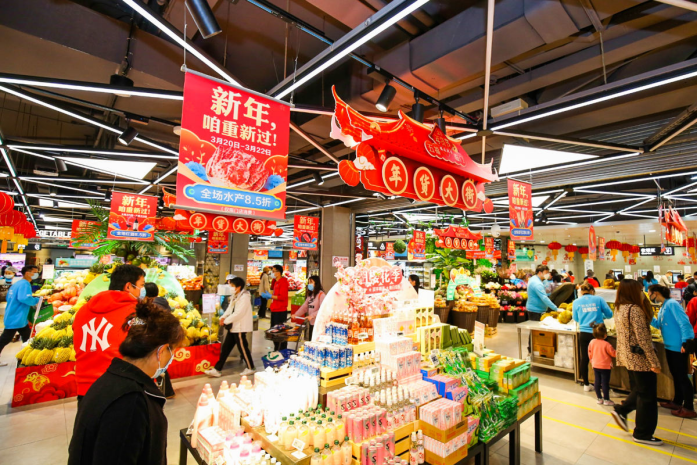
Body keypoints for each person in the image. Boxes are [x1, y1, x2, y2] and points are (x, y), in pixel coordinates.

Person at [68, 301, 184, 465]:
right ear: (162, 351)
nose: (171, 358)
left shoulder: (111, 379)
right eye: (173, 351)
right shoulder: (130, 402)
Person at [73, 265, 146, 400]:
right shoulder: (135, 312)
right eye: (142, 285)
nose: (143, 290)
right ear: (128, 286)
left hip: (85, 388)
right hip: (122, 388)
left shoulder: (83, 310)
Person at [611, 279, 662, 446]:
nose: (643, 293)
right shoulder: (635, 310)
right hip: (641, 359)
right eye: (640, 290)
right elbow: (644, 339)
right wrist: (654, 361)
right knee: (647, 397)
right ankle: (642, 433)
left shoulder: (619, 308)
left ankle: (621, 410)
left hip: (628, 357)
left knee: (641, 390)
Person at [648, 284, 696, 418]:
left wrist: (686, 341)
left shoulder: (672, 304)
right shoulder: (664, 306)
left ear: (656, 293)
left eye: (650, 293)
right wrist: (648, 315)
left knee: (682, 377)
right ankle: (677, 401)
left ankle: (689, 407)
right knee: (676, 375)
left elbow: (684, 322)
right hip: (669, 345)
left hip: (678, 346)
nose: (649, 296)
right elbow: (658, 324)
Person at [206, 277, 255, 377]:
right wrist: (223, 317)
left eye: (232, 286)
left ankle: (251, 367)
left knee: (243, 348)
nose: (230, 288)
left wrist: (226, 321)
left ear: (238, 287)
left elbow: (239, 313)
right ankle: (217, 369)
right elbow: (230, 308)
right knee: (226, 348)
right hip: (234, 327)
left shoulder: (244, 297)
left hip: (240, 327)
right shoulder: (235, 295)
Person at [572, 283, 613, 391]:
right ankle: (605, 386)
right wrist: (601, 316)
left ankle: (586, 384)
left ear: (581, 291)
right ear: (592, 291)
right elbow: (609, 314)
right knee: (603, 359)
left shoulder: (576, 302)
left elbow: (575, 318)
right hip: (598, 333)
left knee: (585, 358)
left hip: (584, 333)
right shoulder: (599, 299)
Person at [0, 266, 40, 366]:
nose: (37, 274)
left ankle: (27, 357)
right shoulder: (25, 284)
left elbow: (9, 298)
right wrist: (37, 300)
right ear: (27, 273)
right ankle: (27, 357)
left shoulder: (17, 283)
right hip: (16, 317)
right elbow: (24, 298)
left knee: (27, 337)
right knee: (5, 339)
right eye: (35, 272)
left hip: (15, 316)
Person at [143, 282, 174, 398]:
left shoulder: (152, 306)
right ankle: (167, 392)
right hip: (164, 338)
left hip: (155, 338)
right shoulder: (162, 302)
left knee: (153, 365)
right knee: (160, 366)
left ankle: (157, 392)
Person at [588, 322, 616, 406]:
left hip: (595, 365)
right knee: (605, 383)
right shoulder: (607, 344)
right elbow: (613, 354)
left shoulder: (592, 342)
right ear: (605, 335)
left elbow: (590, 352)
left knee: (597, 382)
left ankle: (599, 398)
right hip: (605, 367)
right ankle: (606, 399)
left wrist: (592, 361)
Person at [264, 264, 289, 351]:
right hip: (275, 309)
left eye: (273, 271)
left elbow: (282, 297)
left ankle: (281, 349)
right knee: (274, 331)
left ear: (278, 272)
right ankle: (276, 348)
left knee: (280, 332)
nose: (272, 273)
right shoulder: (276, 282)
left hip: (280, 311)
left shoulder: (283, 282)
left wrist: (271, 296)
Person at [295, 275, 326, 340]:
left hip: (319, 324)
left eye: (311, 282)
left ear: (316, 283)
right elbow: (304, 307)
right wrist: (296, 314)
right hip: (311, 323)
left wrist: (312, 316)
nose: (309, 284)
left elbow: (323, 309)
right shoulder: (310, 295)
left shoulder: (321, 294)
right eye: (309, 282)